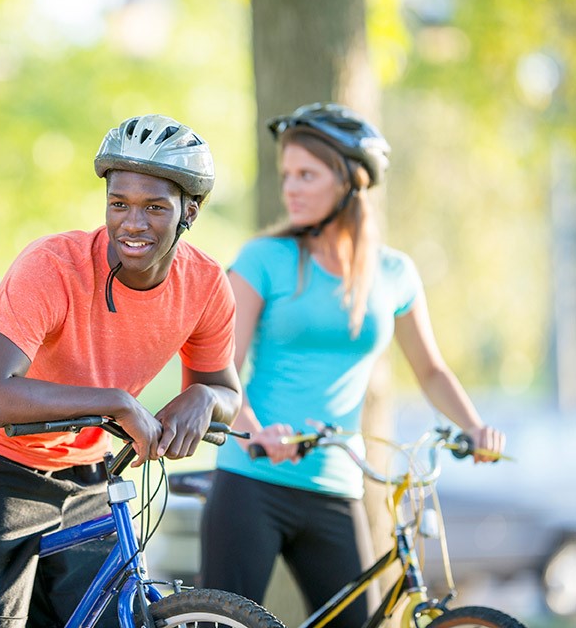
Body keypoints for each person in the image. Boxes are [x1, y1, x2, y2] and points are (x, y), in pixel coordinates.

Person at [0, 114, 243, 627]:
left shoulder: (204, 286)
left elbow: (225, 388)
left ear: (190, 212)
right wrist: (114, 402)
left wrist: (205, 398)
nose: (132, 224)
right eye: (119, 204)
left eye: (155, 208)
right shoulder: (53, 266)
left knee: (107, 617)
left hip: (85, 467)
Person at [200, 102, 507, 628]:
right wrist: (254, 433)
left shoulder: (395, 274)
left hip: (337, 485)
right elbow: (217, 364)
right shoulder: (263, 259)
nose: (290, 188)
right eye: (286, 175)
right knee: (222, 623)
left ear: (349, 183)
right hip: (253, 477)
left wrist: (474, 426)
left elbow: (430, 370)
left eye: (306, 175)